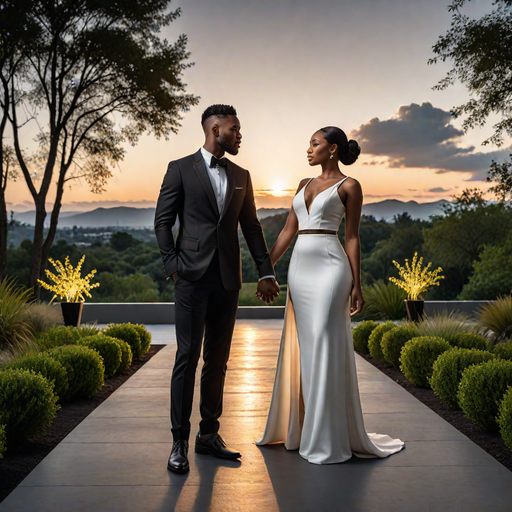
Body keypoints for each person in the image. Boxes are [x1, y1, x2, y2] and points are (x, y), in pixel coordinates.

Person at [256, 126, 404, 464]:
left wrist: (357, 283)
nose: (308, 149)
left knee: (323, 342)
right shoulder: (302, 185)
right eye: (309, 143)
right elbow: (288, 231)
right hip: (300, 270)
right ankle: (306, 428)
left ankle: (326, 437)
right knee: (306, 349)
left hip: (330, 266)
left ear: (332, 149)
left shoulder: (350, 186)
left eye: (314, 143)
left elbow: (351, 237)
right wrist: (268, 269)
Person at [155, 104, 280, 474]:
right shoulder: (179, 168)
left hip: (228, 280)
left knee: (218, 362)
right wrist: (173, 266)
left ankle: (208, 436)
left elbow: (252, 228)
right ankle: (178, 441)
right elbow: (163, 222)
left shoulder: (241, 174)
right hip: (190, 279)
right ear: (214, 129)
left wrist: (265, 272)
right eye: (234, 129)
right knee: (187, 358)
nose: (240, 135)